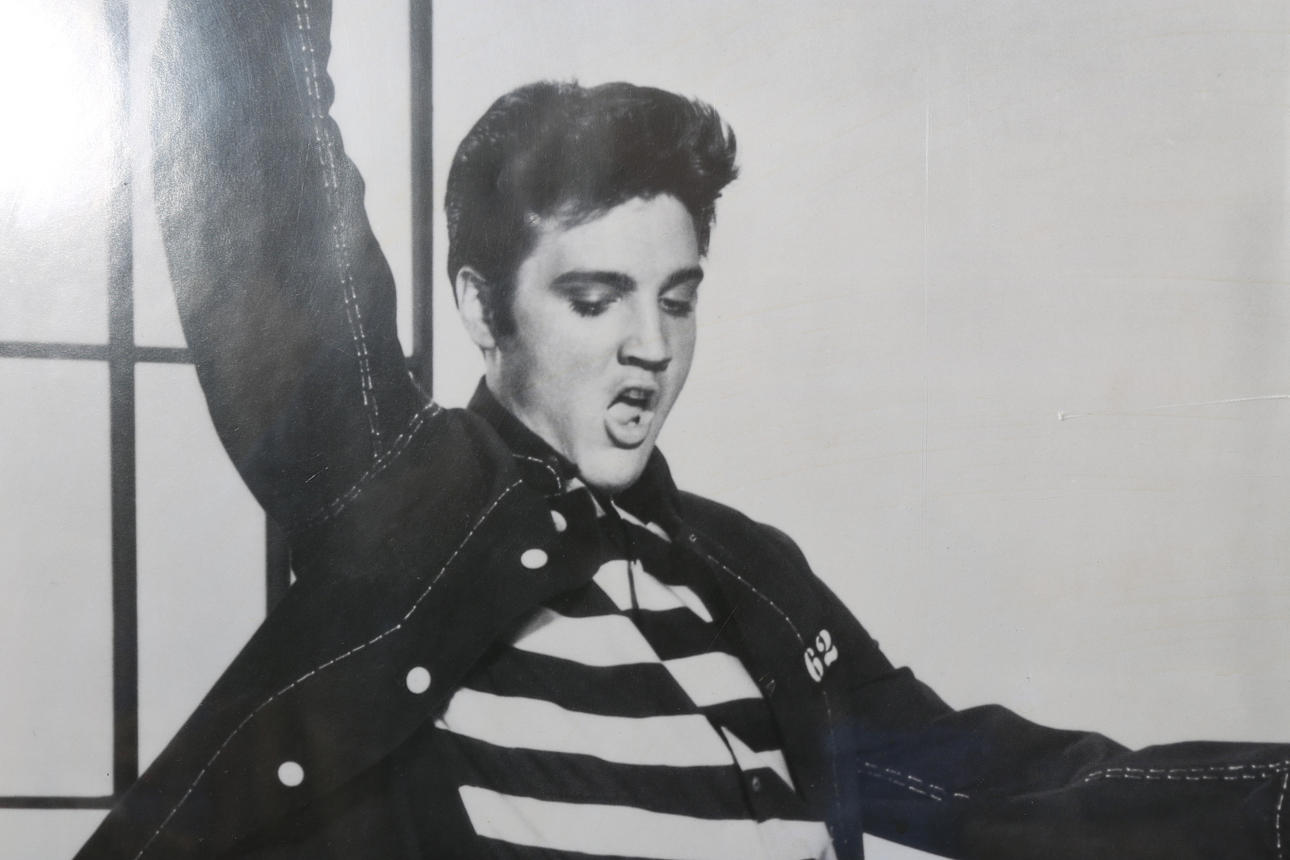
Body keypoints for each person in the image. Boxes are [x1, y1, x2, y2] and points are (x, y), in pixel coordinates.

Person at [78, 1, 1290, 858]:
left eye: (677, 296)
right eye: (595, 298)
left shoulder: (745, 572)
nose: (650, 345)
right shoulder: (408, 498)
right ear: (482, 308)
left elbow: (987, 782)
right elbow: (265, 195)